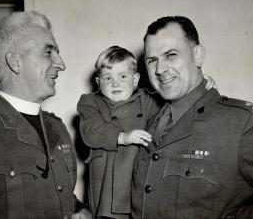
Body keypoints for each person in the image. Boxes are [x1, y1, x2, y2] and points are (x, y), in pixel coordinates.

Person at [0, 11, 91, 219]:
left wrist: (81, 211)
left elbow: (60, 195)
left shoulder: (56, 127)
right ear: (15, 62)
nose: (61, 64)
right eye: (48, 52)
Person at [131, 16, 253, 219]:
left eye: (171, 55)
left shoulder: (244, 124)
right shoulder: (146, 120)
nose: (160, 69)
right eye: (152, 60)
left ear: (198, 55)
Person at [77, 46, 215, 218]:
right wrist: (122, 137)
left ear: (135, 80)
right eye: (107, 78)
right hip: (105, 186)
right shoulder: (89, 102)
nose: (115, 83)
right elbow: (92, 130)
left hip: (135, 180)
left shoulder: (147, 99)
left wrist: (200, 86)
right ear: (98, 82)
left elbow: (177, 100)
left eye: (123, 76)